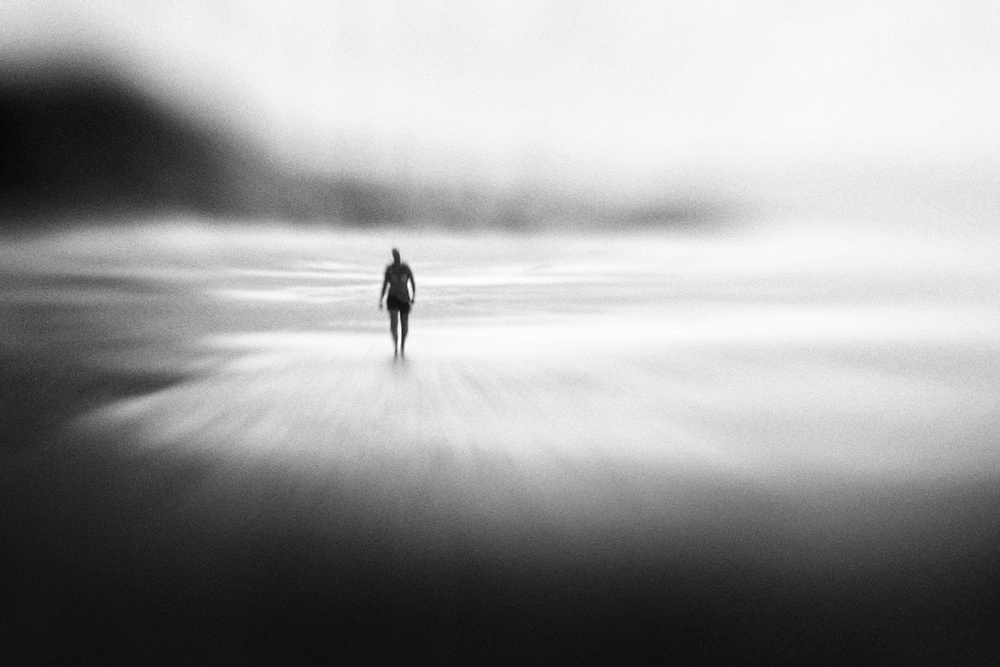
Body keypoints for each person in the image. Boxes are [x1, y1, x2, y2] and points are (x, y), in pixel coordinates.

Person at [379, 248, 416, 358]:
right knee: (394, 324)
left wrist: (413, 296)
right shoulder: (389, 269)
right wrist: (381, 298)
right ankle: (396, 345)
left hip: (405, 299)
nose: (397, 257)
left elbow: (412, 282)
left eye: (397, 255)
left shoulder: (405, 268)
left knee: (404, 325)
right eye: (395, 256)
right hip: (392, 298)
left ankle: (402, 345)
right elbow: (385, 284)